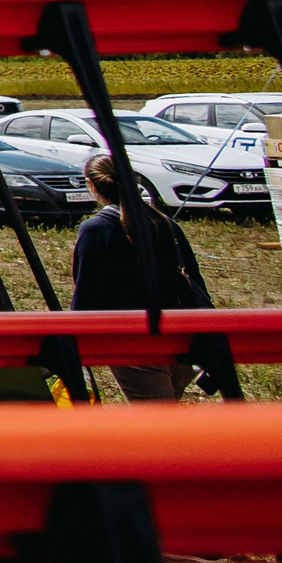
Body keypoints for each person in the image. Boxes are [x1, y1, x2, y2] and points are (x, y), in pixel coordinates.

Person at [71, 153, 211, 401]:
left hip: (133, 341)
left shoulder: (95, 229)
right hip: (179, 337)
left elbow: (86, 295)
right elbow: (194, 279)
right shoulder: (165, 223)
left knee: (157, 426)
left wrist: (74, 345)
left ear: (91, 185)